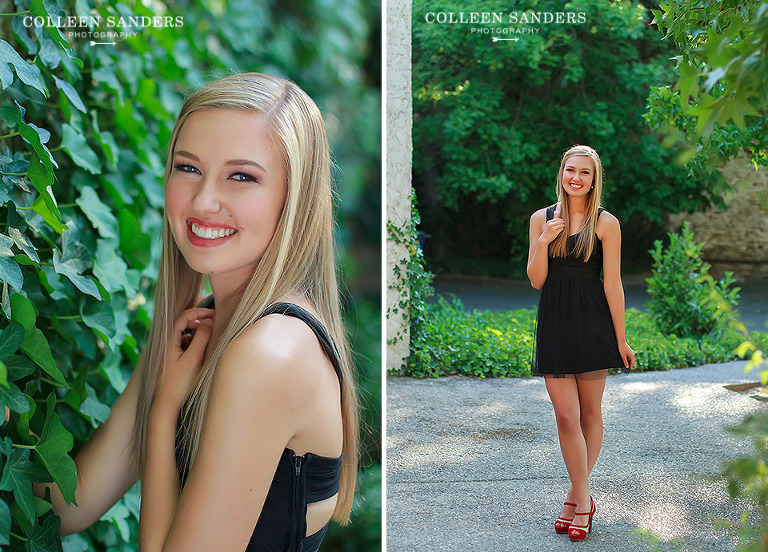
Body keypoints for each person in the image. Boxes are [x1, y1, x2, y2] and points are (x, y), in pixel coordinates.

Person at [33, 72, 359, 551]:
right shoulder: (203, 328)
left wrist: (164, 412)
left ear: (294, 200)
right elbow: (65, 505)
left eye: (242, 176)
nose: (204, 201)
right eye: (188, 168)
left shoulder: (271, 353)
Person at [526, 144, 635, 542]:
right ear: (562, 173)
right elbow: (537, 279)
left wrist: (621, 339)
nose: (577, 178)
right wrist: (543, 241)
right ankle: (586, 500)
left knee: (590, 413)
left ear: (594, 179)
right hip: (554, 323)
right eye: (571, 170)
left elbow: (613, 284)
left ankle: (575, 498)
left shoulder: (606, 223)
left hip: (593, 325)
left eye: (585, 173)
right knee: (565, 417)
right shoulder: (542, 218)